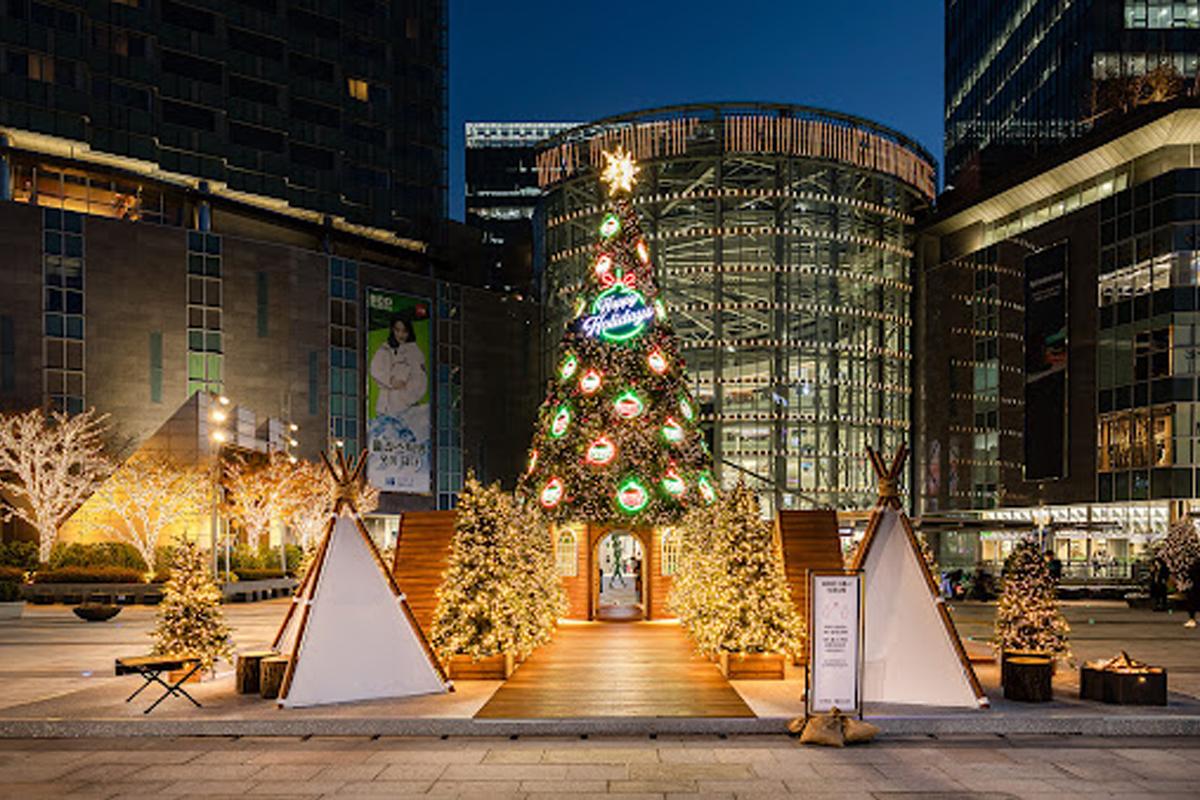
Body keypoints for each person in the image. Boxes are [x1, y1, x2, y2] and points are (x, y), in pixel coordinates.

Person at [370, 316, 426, 420]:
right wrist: (390, 380)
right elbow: (375, 370)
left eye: (404, 331)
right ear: (392, 330)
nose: (401, 335)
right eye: (397, 330)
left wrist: (408, 398)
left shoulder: (415, 352)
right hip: (384, 408)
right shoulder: (384, 349)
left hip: (406, 408)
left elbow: (420, 379)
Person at [1186, 559, 1200, 628]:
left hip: (1196, 586)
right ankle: (1192, 619)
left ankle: (1192, 619)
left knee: (1192, 603)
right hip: (1196, 586)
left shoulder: (1195, 566)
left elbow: (1190, 574)